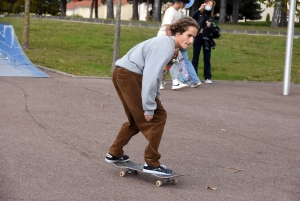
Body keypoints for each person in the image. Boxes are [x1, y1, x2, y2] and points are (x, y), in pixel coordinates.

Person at [105, 16, 199, 175]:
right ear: (178, 32)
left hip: (124, 74)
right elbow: (149, 76)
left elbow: (155, 77)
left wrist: (155, 99)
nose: (191, 40)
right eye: (188, 35)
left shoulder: (168, 46)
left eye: (194, 37)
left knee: (136, 120)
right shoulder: (165, 47)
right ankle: (152, 162)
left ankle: (114, 152)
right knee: (158, 115)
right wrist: (149, 108)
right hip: (129, 76)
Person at [158, 0, 201, 90]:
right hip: (164, 38)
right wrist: (172, 43)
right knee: (167, 61)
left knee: (174, 60)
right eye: (185, 3)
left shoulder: (177, 12)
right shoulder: (170, 11)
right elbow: (168, 28)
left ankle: (173, 82)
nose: (185, 5)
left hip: (172, 39)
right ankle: (164, 82)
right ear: (181, 3)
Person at [191, 0, 220, 84]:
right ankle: (194, 77)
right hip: (198, 37)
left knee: (207, 58)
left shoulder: (211, 17)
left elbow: (214, 29)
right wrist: (199, 9)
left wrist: (209, 26)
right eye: (208, 4)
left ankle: (207, 77)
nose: (209, 6)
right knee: (195, 58)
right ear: (205, 4)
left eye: (211, 5)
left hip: (207, 38)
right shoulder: (199, 13)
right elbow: (191, 18)